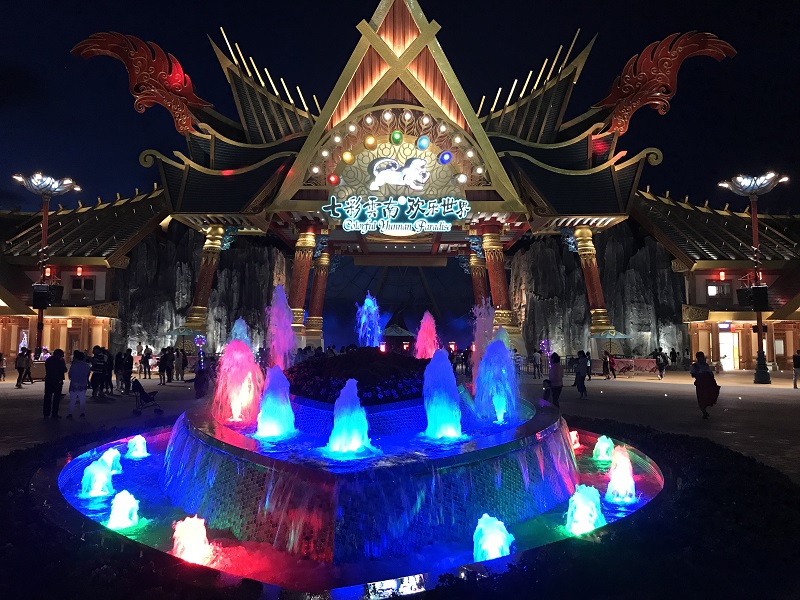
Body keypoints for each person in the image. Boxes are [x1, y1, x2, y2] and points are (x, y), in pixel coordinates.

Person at [691, 351, 719, 419]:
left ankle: (704, 410)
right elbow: (693, 374)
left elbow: (710, 374)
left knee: (705, 397)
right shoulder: (695, 366)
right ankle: (704, 411)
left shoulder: (705, 365)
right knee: (701, 398)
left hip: (706, 383)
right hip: (700, 384)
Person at [43, 349, 67, 418]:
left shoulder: (48, 360)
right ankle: (54, 413)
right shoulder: (60, 361)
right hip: (57, 380)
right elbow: (64, 370)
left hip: (49, 379)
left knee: (47, 396)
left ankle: (46, 413)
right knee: (56, 397)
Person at [67, 350, 90, 419]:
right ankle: (82, 412)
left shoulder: (74, 365)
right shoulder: (86, 366)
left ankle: (70, 413)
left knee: (72, 399)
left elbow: (70, 374)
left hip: (74, 383)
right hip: (82, 383)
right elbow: (87, 374)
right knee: (82, 399)